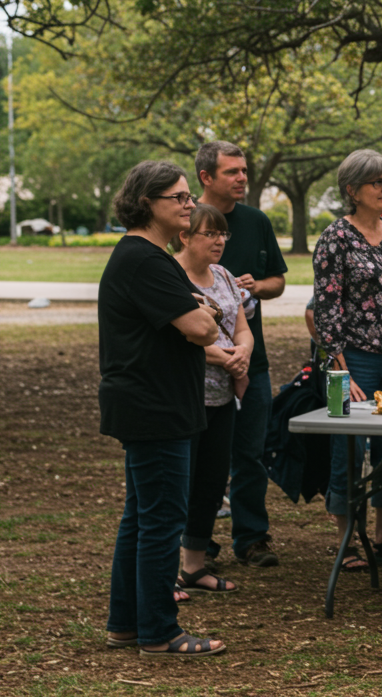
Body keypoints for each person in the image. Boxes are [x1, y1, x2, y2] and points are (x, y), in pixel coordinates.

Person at [101, 160, 225, 657]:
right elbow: (201, 328)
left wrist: (203, 311)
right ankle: (159, 631)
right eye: (178, 197)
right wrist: (207, 315)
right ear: (146, 202)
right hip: (154, 407)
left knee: (141, 516)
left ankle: (126, 624)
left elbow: (197, 315)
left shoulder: (144, 258)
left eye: (188, 195)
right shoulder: (144, 260)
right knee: (161, 520)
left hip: (151, 404)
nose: (189, 203)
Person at [312, 149, 382, 571]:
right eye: (377, 182)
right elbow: (327, 308)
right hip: (354, 359)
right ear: (352, 190)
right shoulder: (335, 238)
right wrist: (340, 368)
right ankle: (346, 542)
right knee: (348, 448)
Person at [195, 141, 287, 569]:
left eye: (244, 171)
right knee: (203, 458)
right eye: (232, 171)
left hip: (254, 359)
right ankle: (198, 544)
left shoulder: (256, 221)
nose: (242, 178)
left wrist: (255, 287)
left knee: (250, 452)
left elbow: (278, 282)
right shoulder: (185, 220)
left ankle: (252, 538)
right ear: (206, 178)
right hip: (200, 366)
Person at [173, 204, 254, 595]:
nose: (220, 241)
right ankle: (165, 571)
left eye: (223, 234)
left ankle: (194, 567)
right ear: (185, 235)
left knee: (210, 482)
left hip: (223, 399)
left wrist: (243, 353)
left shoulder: (223, 276)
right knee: (178, 485)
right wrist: (225, 357)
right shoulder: (170, 274)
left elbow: (242, 327)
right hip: (185, 397)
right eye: (210, 234)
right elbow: (179, 337)